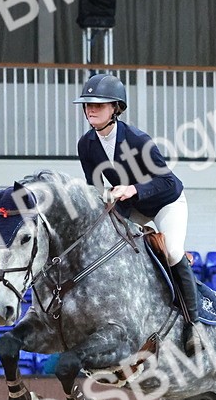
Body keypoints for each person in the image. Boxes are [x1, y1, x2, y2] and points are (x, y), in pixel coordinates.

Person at [73, 73, 199, 352]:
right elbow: (94, 186)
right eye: (88, 105)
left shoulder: (138, 140)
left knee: (173, 251)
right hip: (130, 207)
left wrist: (133, 189)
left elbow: (167, 182)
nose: (90, 110)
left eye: (98, 105)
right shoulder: (86, 144)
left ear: (115, 108)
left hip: (165, 202)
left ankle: (193, 324)